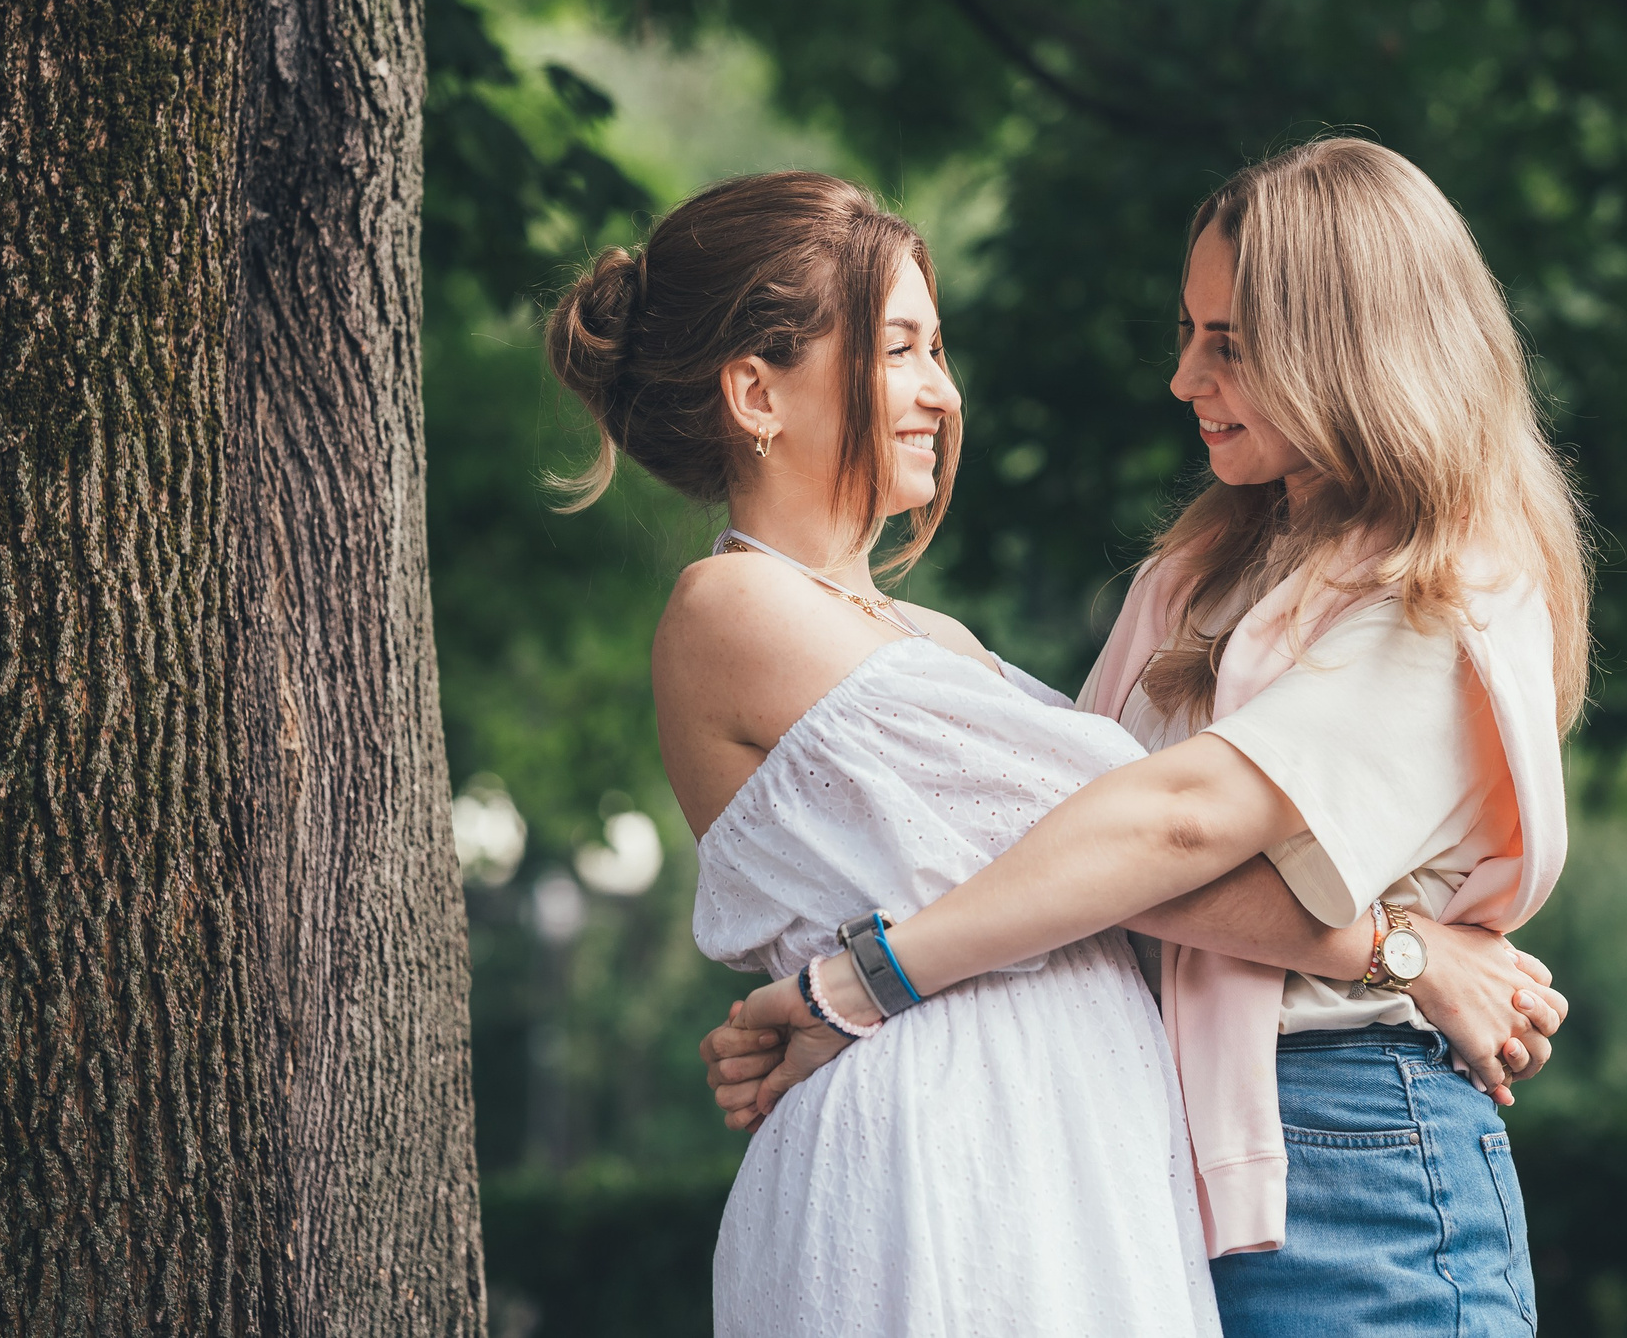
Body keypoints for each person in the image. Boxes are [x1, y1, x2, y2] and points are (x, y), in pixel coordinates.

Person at [548, 166, 1565, 1338]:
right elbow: (1120, 842)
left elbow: (1120, 850)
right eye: (901, 349)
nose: (943, 391)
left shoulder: (944, 642)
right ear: (754, 393)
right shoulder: (740, 606)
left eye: (935, 348)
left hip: (1154, 1155)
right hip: (969, 1155)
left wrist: (858, 979)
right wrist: (1402, 951)